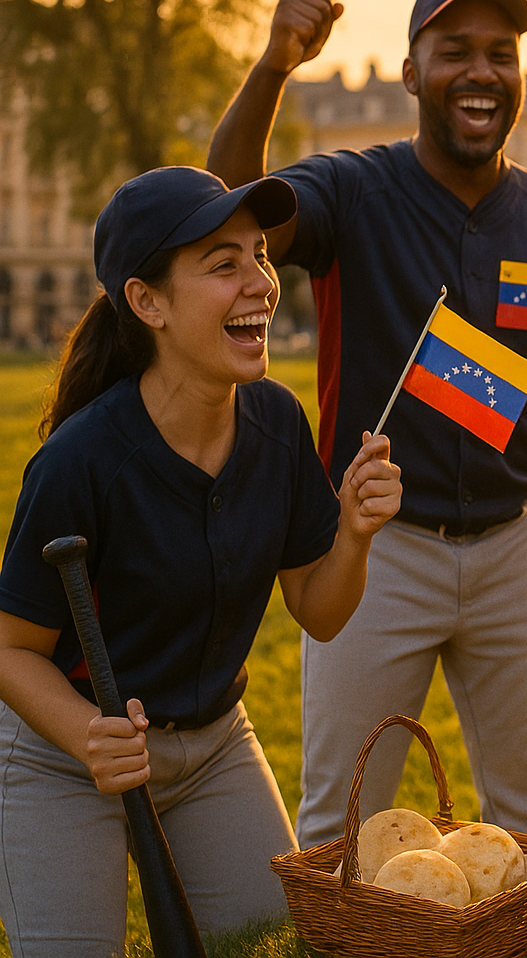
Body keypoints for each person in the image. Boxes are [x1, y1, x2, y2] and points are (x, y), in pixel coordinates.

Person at [207, 0, 527, 848]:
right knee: (339, 824)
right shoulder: (352, 190)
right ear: (409, 73)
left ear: (521, 75)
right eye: (454, 52)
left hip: (518, 547)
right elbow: (230, 209)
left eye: (500, 55)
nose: (481, 72)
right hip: (374, 551)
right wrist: (276, 66)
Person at [0, 167, 401, 954]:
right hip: (61, 756)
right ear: (147, 302)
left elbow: (318, 612)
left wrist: (353, 534)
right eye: (223, 265)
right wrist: (88, 734)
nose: (261, 281)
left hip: (215, 743)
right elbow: (11, 652)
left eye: (258, 254)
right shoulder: (82, 461)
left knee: (266, 944)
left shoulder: (278, 424)